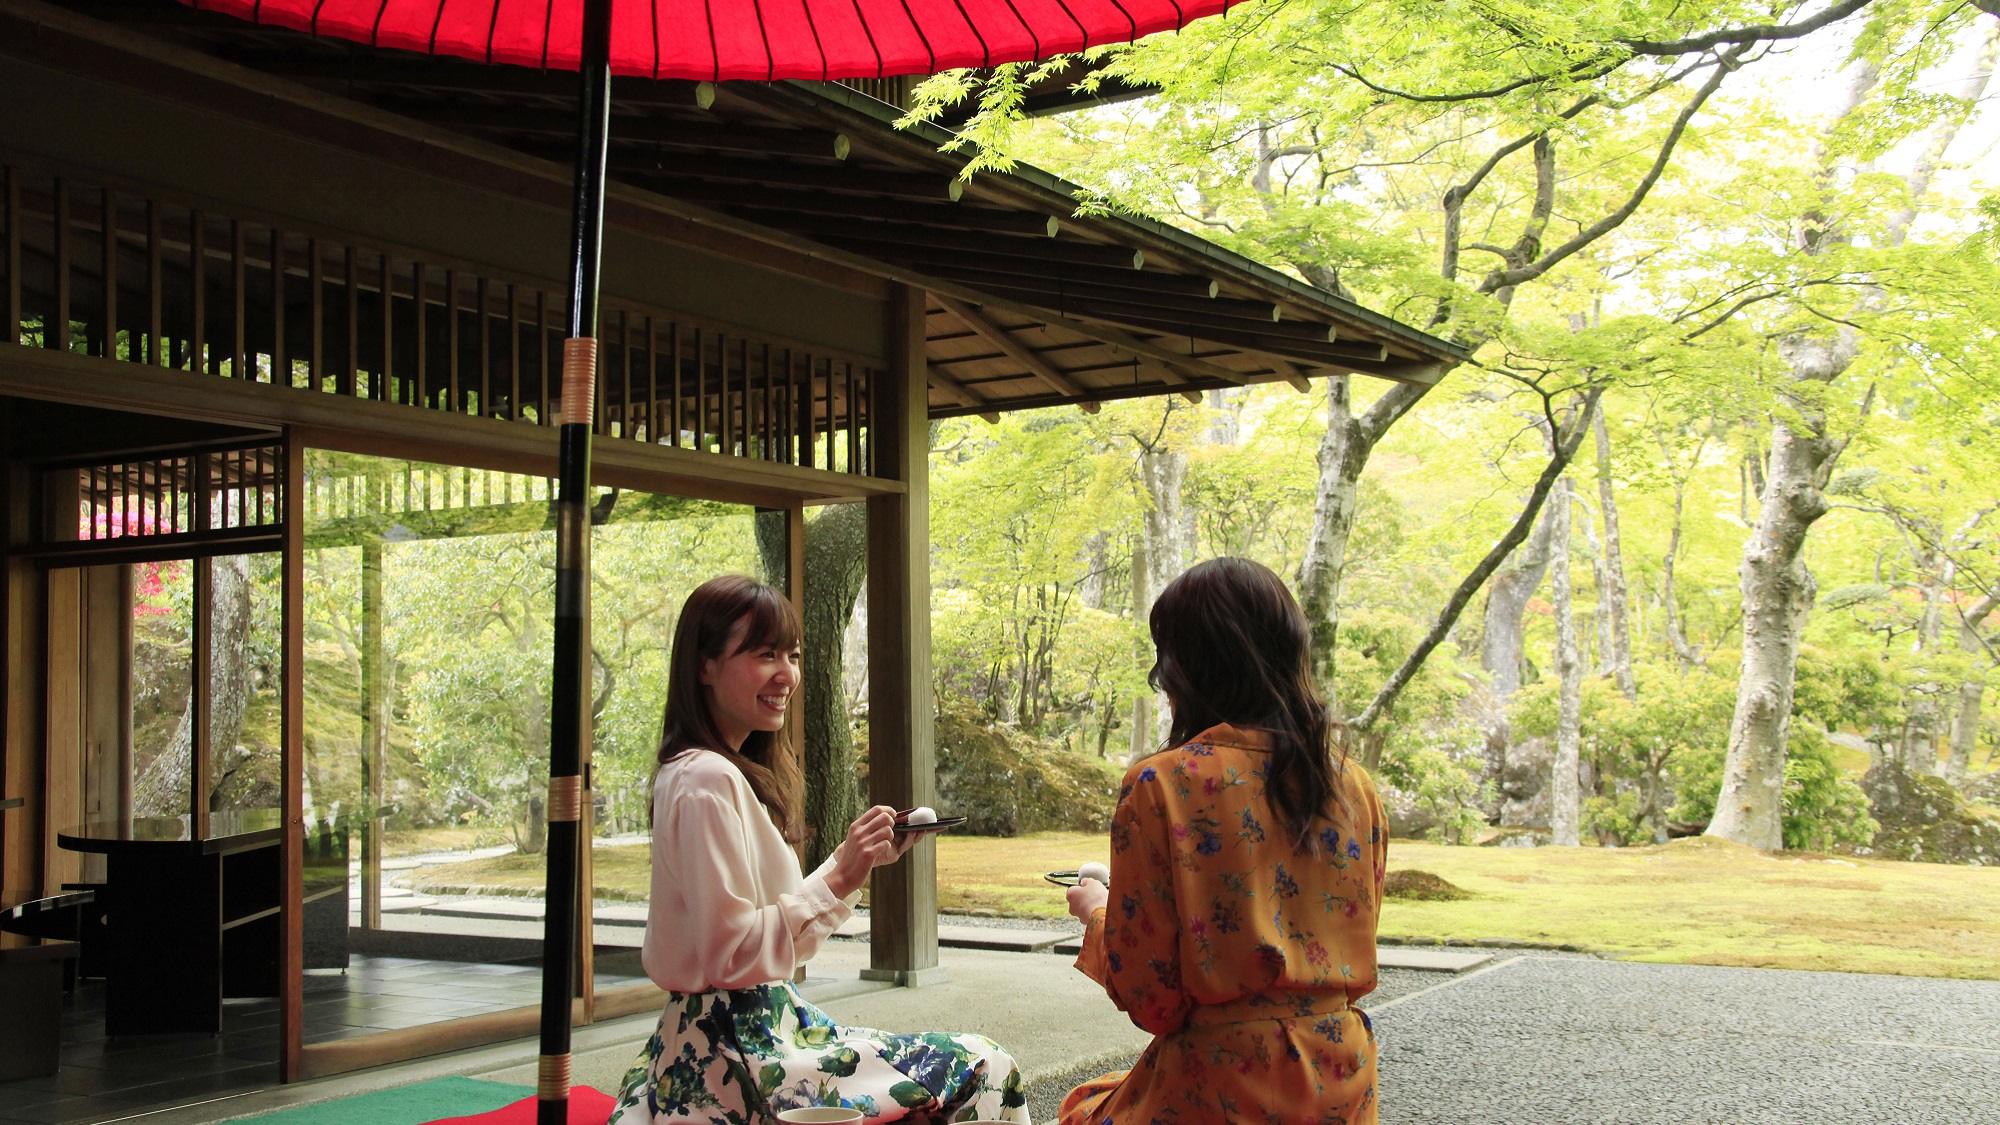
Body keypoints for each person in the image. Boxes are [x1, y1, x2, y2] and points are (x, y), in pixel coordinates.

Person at [608, 575, 1029, 1124]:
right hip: (739, 1054)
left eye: (793, 654)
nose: (788, 675)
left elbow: (759, 935)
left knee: (951, 1073)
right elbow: (731, 955)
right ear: (704, 666)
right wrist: (839, 877)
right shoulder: (707, 779)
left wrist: (855, 864)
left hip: (732, 1038)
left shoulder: (702, 773)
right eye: (764, 655)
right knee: (986, 1067)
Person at [1059, 557, 1389, 1125]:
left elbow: (1153, 999)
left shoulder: (1160, 785)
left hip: (1223, 1086)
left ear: (1182, 667)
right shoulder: (1351, 784)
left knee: (1080, 1109)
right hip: (1341, 1081)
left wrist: (1098, 914)